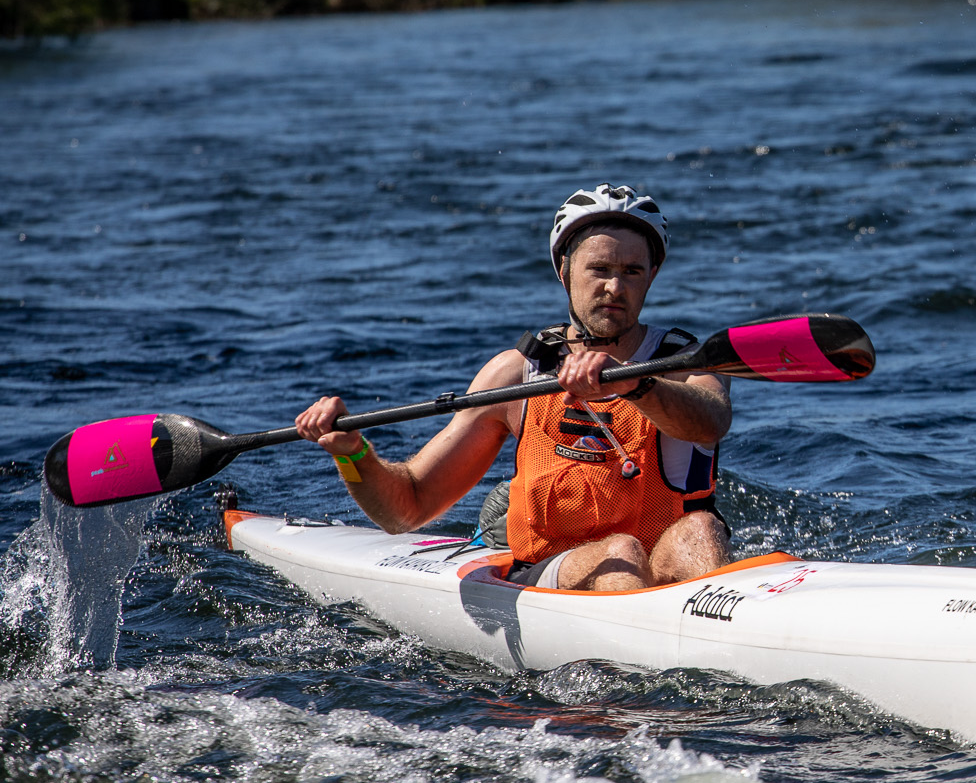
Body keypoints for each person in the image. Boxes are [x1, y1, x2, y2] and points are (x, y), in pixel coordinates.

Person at [294, 184, 733, 591]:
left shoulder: (683, 364)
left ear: (652, 275)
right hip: (552, 571)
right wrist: (353, 454)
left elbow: (711, 421)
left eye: (632, 271)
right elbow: (407, 507)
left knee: (701, 530)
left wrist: (640, 386)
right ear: (563, 271)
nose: (614, 287)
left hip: (668, 569)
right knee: (622, 552)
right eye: (598, 269)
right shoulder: (515, 376)